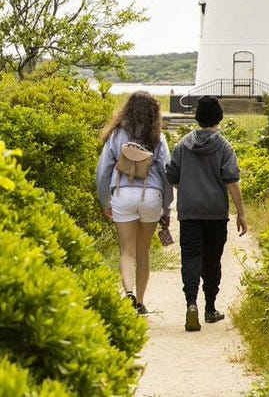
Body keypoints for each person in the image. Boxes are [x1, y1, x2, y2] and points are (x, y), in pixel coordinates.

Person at [166, 95, 247, 331]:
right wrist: (241, 213)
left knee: (190, 258)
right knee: (212, 261)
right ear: (219, 118)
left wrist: (188, 189)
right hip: (215, 212)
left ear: (197, 117)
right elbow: (232, 181)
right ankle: (210, 309)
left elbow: (171, 175)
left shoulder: (183, 145)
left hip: (189, 212)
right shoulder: (224, 146)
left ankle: (191, 304)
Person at [96, 91, 174, 314]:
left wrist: (105, 201)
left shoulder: (116, 135)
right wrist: (166, 207)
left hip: (122, 194)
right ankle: (140, 303)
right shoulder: (157, 138)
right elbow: (167, 173)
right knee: (143, 252)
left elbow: (102, 172)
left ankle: (128, 292)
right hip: (150, 196)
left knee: (126, 251)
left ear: (127, 110)